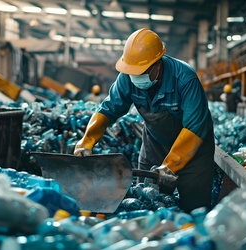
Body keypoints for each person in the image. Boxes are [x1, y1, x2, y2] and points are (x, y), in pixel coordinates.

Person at [73, 28, 215, 213]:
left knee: (193, 210)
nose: (135, 77)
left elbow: (195, 128)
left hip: (194, 153)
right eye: (132, 72)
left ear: (158, 64)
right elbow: (107, 111)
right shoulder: (128, 77)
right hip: (154, 147)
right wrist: (87, 141)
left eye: (141, 72)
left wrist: (170, 165)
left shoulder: (185, 78)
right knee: (145, 202)